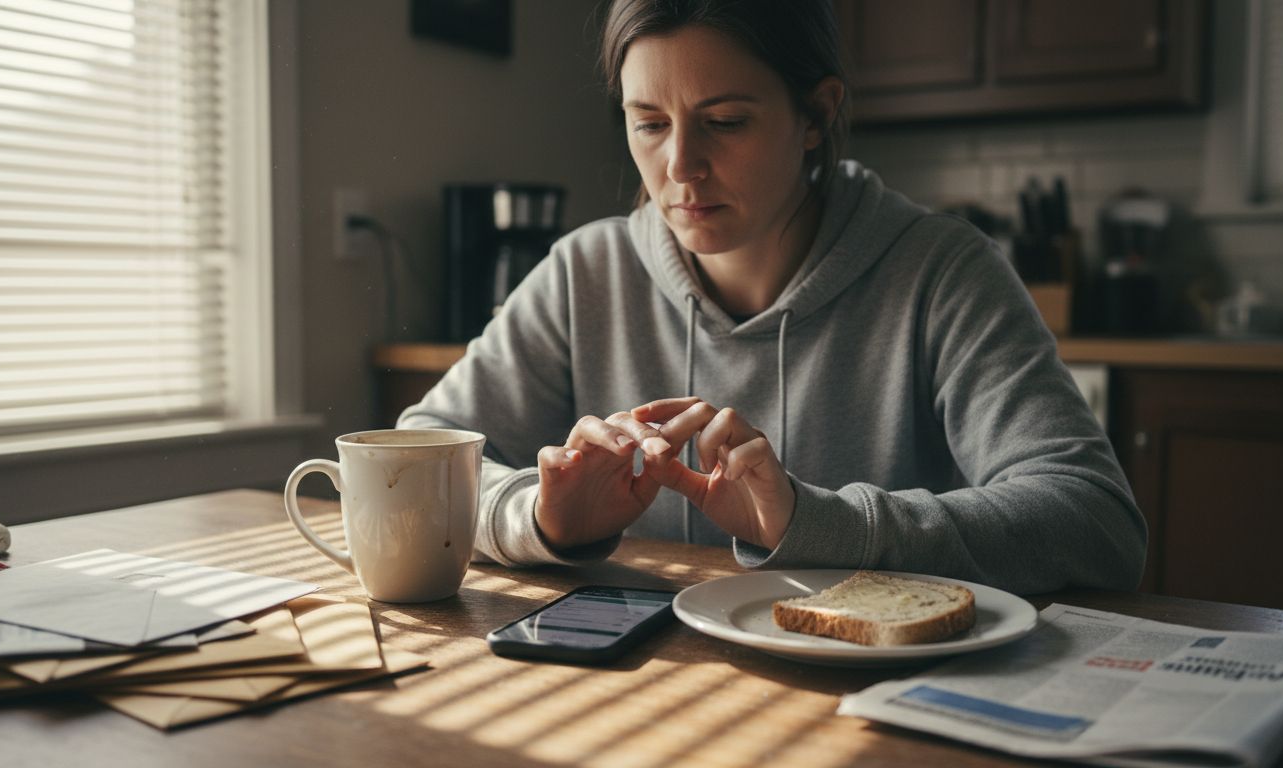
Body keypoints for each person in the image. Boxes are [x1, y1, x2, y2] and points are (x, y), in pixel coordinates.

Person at [399, 0, 1146, 594]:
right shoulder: (582, 272)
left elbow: (1095, 522)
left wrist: (817, 522)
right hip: (638, 692)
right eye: (649, 124)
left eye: (725, 122)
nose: (680, 167)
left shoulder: (942, 272)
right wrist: (539, 518)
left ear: (816, 116)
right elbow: (414, 459)